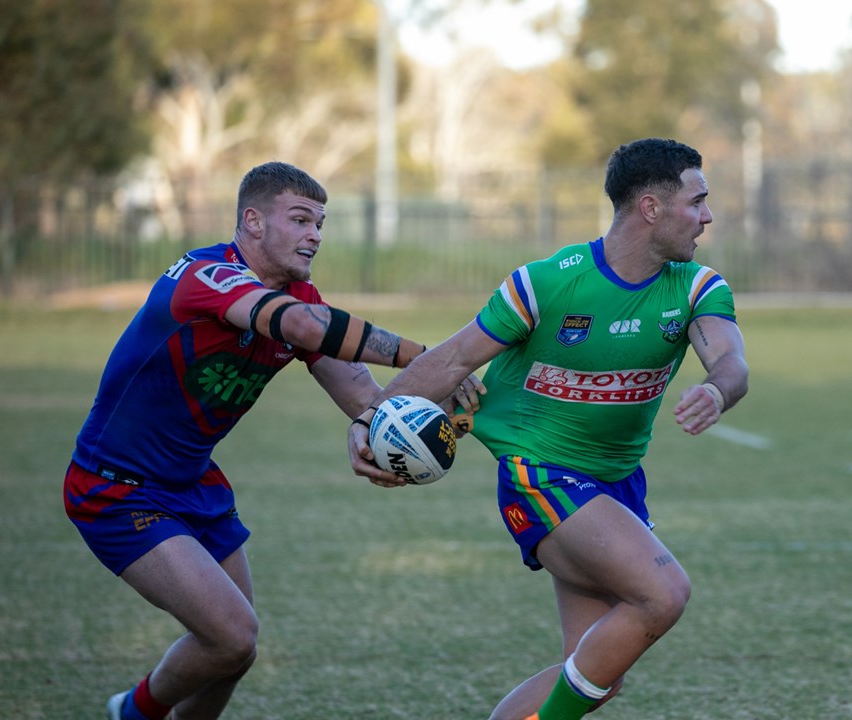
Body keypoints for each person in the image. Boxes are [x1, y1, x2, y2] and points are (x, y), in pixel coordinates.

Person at [347, 138, 749, 720]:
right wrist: (368, 416)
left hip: (616, 485)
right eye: (698, 201)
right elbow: (455, 358)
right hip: (541, 474)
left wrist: (718, 388)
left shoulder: (695, 288)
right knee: (664, 592)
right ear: (651, 208)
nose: (708, 216)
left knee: (595, 676)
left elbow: (731, 363)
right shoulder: (546, 283)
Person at [65, 161, 476, 720]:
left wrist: (417, 421)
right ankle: (132, 713)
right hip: (117, 486)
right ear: (252, 221)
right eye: (301, 219)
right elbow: (306, 328)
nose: (315, 235)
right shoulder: (207, 276)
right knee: (231, 637)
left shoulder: (300, 294)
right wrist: (428, 355)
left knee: (234, 653)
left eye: (321, 224)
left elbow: (361, 393)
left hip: (193, 481)